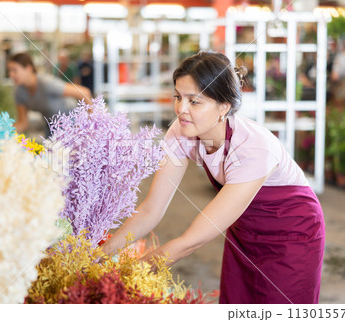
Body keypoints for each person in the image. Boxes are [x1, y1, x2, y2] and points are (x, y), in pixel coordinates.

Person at [101, 51, 325, 304]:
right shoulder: (181, 131)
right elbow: (151, 209)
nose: (181, 109)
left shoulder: (253, 148)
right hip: (245, 231)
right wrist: (99, 255)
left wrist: (125, 273)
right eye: (178, 97)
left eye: (194, 101)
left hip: (292, 234)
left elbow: (190, 242)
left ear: (223, 107)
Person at [7, 53, 91, 137]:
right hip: (52, 127)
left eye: (14, 70)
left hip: (73, 123)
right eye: (9, 71)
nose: (11, 74)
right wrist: (4, 133)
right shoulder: (19, 92)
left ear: (28, 68)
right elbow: (23, 123)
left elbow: (84, 92)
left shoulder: (46, 83)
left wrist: (91, 125)